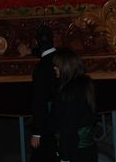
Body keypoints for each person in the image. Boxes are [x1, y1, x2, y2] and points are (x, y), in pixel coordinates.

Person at [51, 48, 97, 162]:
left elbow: (68, 126)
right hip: (88, 149)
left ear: (65, 67)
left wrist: (65, 157)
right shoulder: (86, 85)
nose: (54, 68)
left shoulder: (68, 92)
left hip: (74, 150)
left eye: (57, 65)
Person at [30, 24, 59, 162]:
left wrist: (37, 133)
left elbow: (39, 101)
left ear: (36, 42)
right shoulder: (64, 58)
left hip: (49, 122)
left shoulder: (40, 69)